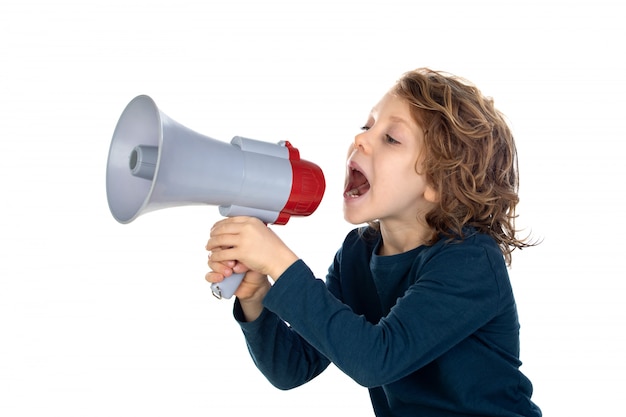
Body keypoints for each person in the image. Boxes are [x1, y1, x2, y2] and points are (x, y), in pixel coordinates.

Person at [205, 67, 542, 417]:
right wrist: (257, 297)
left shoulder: (471, 261)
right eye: (367, 127)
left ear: (439, 184)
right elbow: (291, 367)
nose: (360, 139)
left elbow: (375, 359)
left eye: (391, 138)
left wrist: (279, 261)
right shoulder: (358, 253)